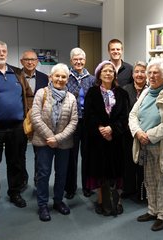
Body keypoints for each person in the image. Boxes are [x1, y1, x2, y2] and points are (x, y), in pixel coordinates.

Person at [129, 58, 163, 231]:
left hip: (160, 145)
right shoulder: (145, 91)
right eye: (149, 72)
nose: (151, 76)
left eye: (156, 73)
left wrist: (149, 135)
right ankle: (152, 210)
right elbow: (133, 115)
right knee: (149, 179)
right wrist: (138, 132)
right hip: (142, 142)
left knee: (162, 181)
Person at [0, 40, 34, 208]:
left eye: (4, 50)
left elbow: (29, 95)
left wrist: (28, 114)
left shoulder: (17, 73)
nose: (2, 53)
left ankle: (15, 192)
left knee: (16, 162)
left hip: (17, 127)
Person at [31, 63, 78, 221]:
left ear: (67, 79)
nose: (60, 79)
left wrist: (57, 138)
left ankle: (58, 201)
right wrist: (50, 137)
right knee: (43, 174)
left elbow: (73, 121)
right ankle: (43, 205)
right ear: (51, 77)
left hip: (63, 143)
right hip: (44, 142)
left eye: (63, 76)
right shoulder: (41, 93)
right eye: (57, 76)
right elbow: (35, 117)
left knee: (61, 173)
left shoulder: (71, 98)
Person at [84, 60, 129, 216]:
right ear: (99, 75)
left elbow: (125, 117)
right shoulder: (92, 92)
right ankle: (102, 201)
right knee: (100, 171)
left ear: (114, 74)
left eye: (111, 71)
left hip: (116, 140)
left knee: (116, 172)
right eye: (105, 71)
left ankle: (117, 201)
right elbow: (88, 115)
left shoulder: (122, 94)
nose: (108, 73)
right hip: (97, 140)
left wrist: (112, 129)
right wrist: (101, 129)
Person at [65, 47, 96, 199]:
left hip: (88, 123)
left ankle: (87, 186)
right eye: (75, 59)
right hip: (72, 122)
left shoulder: (92, 79)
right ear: (71, 61)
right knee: (72, 155)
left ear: (85, 61)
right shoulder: (66, 77)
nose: (78, 61)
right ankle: (70, 187)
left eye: (81, 59)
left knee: (88, 155)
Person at [20, 49, 49, 188]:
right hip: (20, 118)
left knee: (39, 151)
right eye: (27, 60)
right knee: (20, 152)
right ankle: (22, 179)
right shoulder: (16, 76)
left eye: (33, 59)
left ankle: (38, 179)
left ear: (37, 61)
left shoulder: (45, 78)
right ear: (22, 62)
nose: (30, 62)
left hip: (39, 119)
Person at [122, 61, 148, 199]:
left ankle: (142, 192)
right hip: (128, 133)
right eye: (137, 71)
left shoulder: (151, 90)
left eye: (143, 71)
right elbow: (123, 111)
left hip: (145, 133)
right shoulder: (125, 89)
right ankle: (129, 188)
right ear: (132, 74)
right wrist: (132, 128)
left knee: (143, 164)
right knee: (129, 161)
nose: (139, 74)